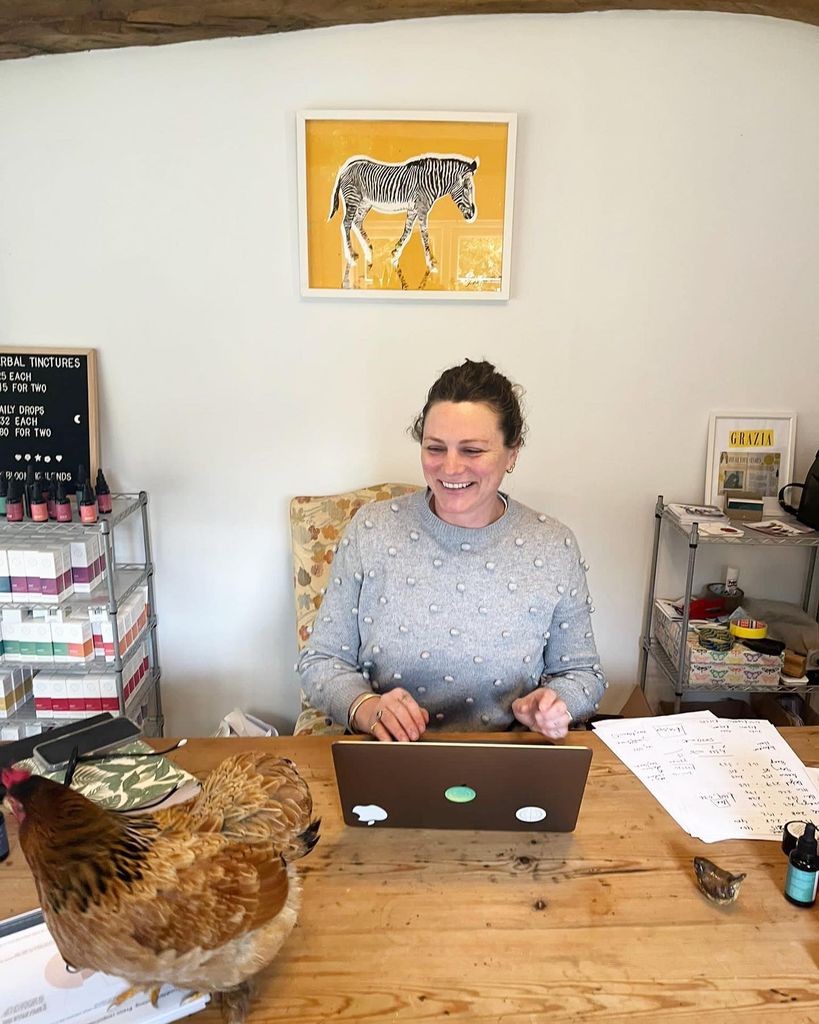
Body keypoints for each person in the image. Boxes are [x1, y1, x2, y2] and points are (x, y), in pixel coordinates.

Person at [298, 359, 607, 741]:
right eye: (435, 448)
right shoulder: (371, 530)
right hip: (387, 751)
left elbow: (583, 674)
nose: (450, 467)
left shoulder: (553, 546)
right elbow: (322, 662)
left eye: (473, 450)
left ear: (512, 453)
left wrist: (553, 704)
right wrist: (366, 707)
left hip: (509, 754)